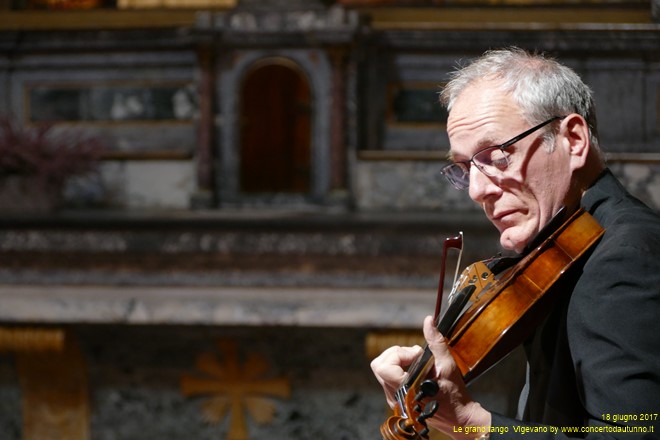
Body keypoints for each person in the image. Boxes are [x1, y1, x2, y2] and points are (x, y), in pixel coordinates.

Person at [371, 47, 660, 439]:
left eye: (494, 155)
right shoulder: (561, 249)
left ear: (572, 139)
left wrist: (475, 425)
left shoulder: (622, 259)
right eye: (464, 166)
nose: (476, 190)